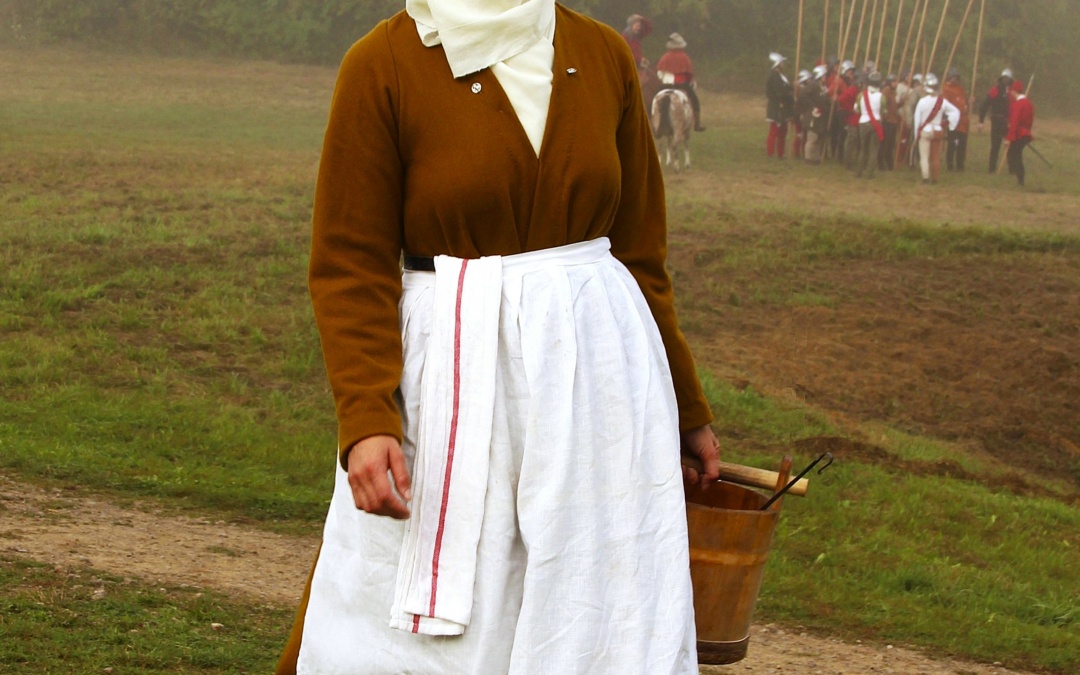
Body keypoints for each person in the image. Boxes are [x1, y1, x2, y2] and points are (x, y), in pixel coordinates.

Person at [275, 1, 721, 674]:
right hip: (450, 381)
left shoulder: (602, 56)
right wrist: (367, 417)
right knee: (423, 625)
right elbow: (349, 264)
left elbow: (640, 256)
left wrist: (686, 410)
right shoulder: (383, 65)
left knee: (592, 606)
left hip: (594, 389)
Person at [913, 73, 960, 184]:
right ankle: (935, 179)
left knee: (924, 156)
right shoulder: (942, 101)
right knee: (935, 157)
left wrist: (916, 134)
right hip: (938, 130)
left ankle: (925, 177)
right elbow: (955, 112)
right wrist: (950, 123)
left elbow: (917, 119)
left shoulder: (922, 101)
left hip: (925, 130)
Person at [657, 32, 706, 131]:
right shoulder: (684, 57)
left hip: (666, 85)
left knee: (657, 101)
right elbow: (689, 74)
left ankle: (657, 126)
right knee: (695, 100)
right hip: (682, 85)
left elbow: (660, 73)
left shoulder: (665, 56)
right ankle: (697, 124)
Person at [978, 68, 1015, 173]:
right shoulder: (995, 90)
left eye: (1008, 79)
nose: (1006, 80)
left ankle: (1012, 169)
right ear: (1002, 79)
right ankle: (992, 169)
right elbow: (984, 106)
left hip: (1008, 122)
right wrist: (981, 121)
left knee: (1010, 146)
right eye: (1004, 78)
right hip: (996, 121)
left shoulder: (1013, 92)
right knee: (995, 145)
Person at [854, 71, 884, 179]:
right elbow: (883, 111)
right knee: (873, 150)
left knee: (863, 149)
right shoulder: (881, 96)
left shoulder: (861, 95)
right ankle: (870, 173)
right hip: (876, 122)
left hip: (863, 122)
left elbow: (856, 109)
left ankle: (858, 172)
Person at [1006, 80, 1034, 186]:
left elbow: (1014, 122)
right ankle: (1019, 178)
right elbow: (1030, 120)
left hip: (1019, 133)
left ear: (1014, 91)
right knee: (1016, 155)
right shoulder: (1029, 103)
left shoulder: (1018, 104)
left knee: (1013, 155)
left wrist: (1009, 138)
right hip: (1026, 133)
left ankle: (1020, 179)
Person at [765, 52, 794, 158]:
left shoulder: (781, 76)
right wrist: (789, 92)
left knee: (783, 131)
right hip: (777, 106)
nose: (783, 64)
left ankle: (781, 153)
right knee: (774, 130)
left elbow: (787, 88)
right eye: (782, 62)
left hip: (783, 107)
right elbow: (779, 92)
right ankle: (770, 152)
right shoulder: (774, 76)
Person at [941, 67, 970, 171]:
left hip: (963, 120)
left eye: (956, 77)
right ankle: (950, 164)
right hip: (953, 120)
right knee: (952, 143)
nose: (955, 79)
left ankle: (960, 164)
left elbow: (964, 101)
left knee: (962, 144)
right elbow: (946, 105)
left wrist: (968, 104)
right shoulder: (946, 89)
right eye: (953, 77)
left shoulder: (960, 89)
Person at [803, 64, 830, 165]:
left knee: (819, 138)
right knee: (812, 138)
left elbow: (825, 99)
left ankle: (816, 158)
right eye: (824, 76)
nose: (825, 78)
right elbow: (805, 95)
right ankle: (808, 158)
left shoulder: (822, 87)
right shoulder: (813, 85)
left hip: (821, 116)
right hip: (813, 115)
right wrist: (813, 106)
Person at [879, 73, 900, 171]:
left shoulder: (893, 92)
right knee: (885, 143)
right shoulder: (886, 92)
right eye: (894, 82)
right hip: (887, 121)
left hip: (893, 121)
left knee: (891, 143)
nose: (895, 83)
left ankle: (889, 162)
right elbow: (883, 105)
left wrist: (902, 102)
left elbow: (894, 106)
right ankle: (881, 163)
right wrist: (885, 116)